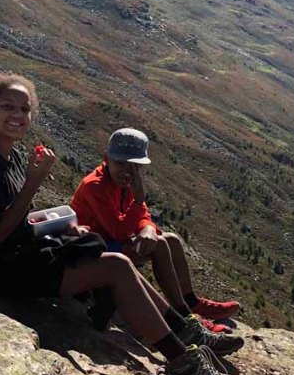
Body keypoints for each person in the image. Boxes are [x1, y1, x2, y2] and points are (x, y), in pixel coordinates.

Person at [0, 72, 242, 375]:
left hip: (19, 252)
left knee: (116, 262)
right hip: (1, 268)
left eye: (24, 109)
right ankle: (182, 358)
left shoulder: (9, 155)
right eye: (7, 107)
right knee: (116, 266)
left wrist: (59, 226)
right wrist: (33, 183)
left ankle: (185, 330)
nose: (17, 115)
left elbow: (14, 217)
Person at [70, 128, 241, 332]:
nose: (127, 171)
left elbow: (142, 215)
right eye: (120, 163)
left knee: (172, 240)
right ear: (106, 159)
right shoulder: (95, 186)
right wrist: (139, 200)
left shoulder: (124, 182)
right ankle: (184, 317)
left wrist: (148, 228)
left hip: (111, 244)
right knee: (159, 245)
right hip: (92, 251)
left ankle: (191, 302)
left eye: (135, 166)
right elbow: (118, 231)